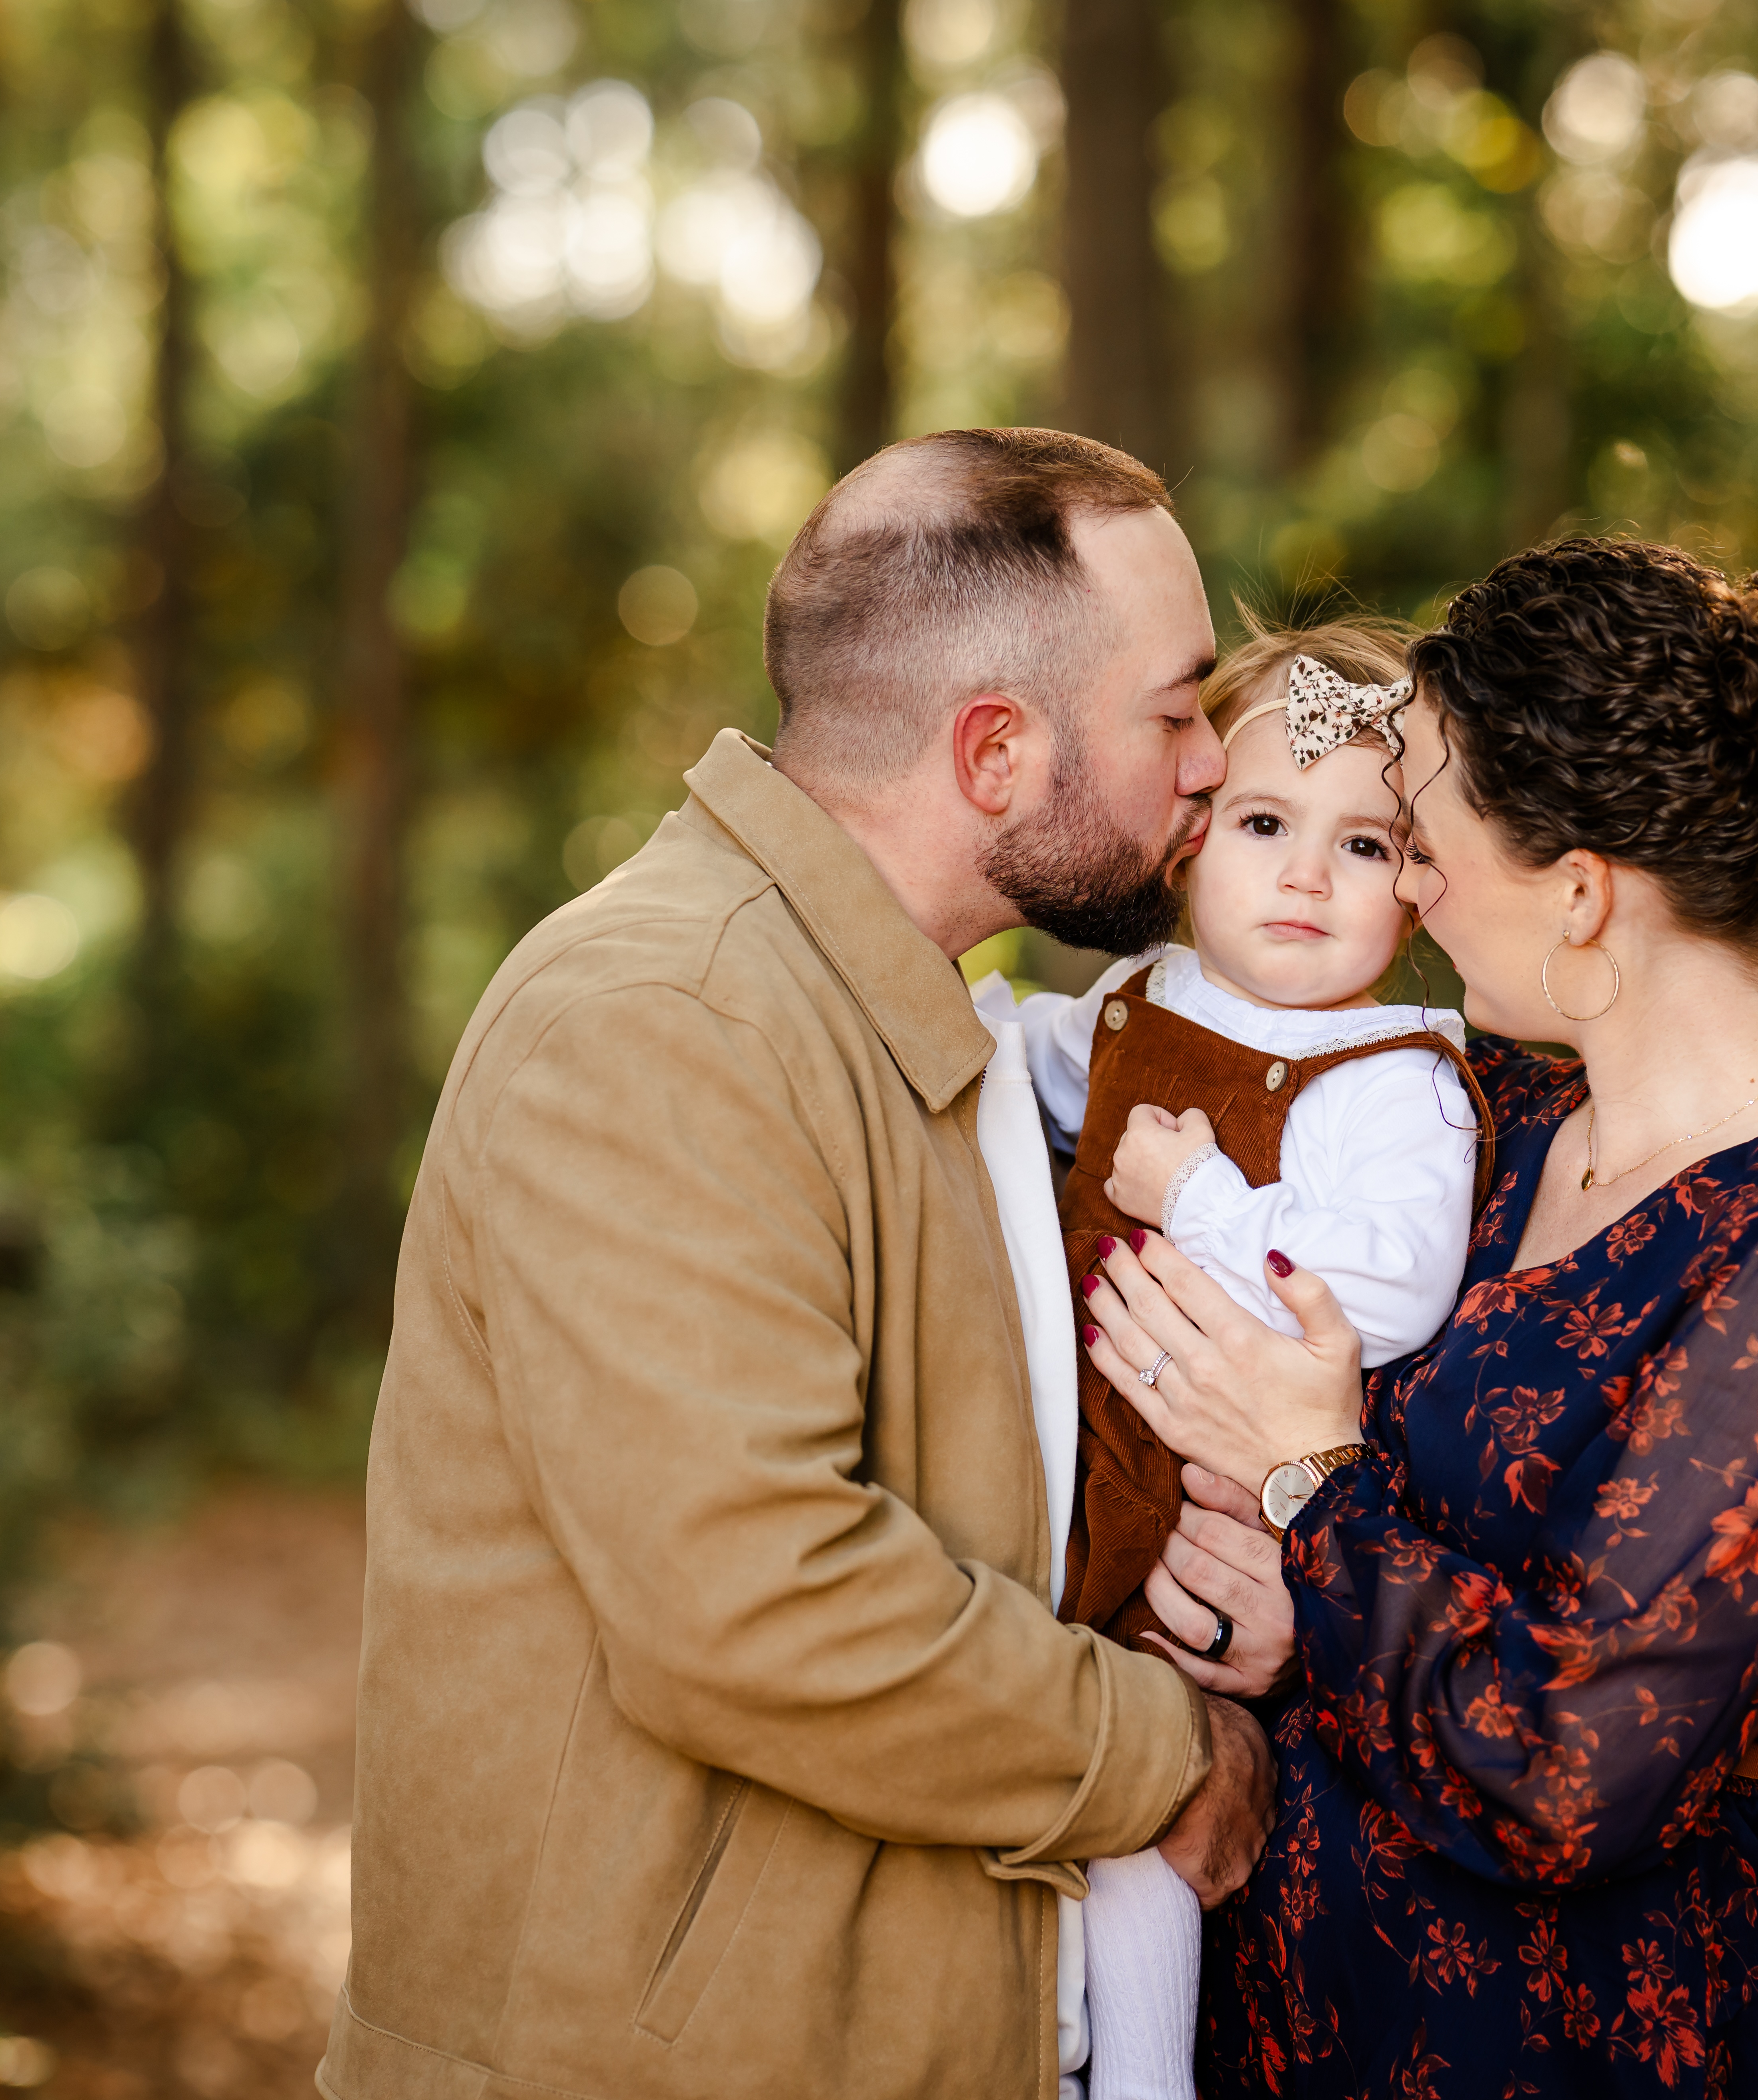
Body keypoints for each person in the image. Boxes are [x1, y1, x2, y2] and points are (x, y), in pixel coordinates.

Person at [321, 428, 1275, 2100]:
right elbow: (752, 1598)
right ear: (995, 751)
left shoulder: (920, 1022)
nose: (1210, 761)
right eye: (1177, 707)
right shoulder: (668, 1019)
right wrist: (1157, 1751)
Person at [1077, 539, 1758, 2096]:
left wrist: (1309, 1496)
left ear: (1577, 892)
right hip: (1309, 1974)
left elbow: (1570, 1761)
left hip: (1583, 2027)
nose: (1402, 884)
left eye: (1421, 837)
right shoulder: (1485, 1113)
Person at [986, 620, 1490, 2100]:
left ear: (1416, 885)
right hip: (1069, 1466)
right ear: (1193, 840)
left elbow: (1390, 1287)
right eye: (1266, 825)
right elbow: (1018, 1064)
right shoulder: (1143, 996)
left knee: (1149, 1810)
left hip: (1201, 1507)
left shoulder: (1395, 1072)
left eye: (1361, 845)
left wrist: (1202, 1200)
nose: (1302, 876)